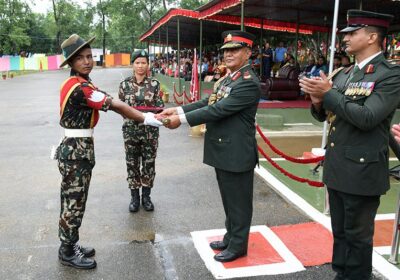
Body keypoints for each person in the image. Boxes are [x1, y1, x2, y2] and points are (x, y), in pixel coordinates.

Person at [299, 10, 400, 280]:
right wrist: (317, 100)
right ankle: (341, 274)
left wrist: (328, 94)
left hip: (362, 170)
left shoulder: (390, 74)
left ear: (372, 37)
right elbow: (326, 116)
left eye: (352, 33)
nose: (345, 38)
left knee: (358, 237)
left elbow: (367, 118)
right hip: (339, 165)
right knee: (341, 232)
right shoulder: (343, 73)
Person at [56, 34, 162, 269]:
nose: (87, 61)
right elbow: (116, 105)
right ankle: (67, 250)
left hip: (78, 149)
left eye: (89, 56)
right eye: (80, 58)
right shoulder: (80, 88)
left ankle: (71, 243)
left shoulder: (80, 83)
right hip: (76, 152)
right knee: (74, 201)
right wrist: (148, 118)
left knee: (75, 199)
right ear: (71, 63)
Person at [158, 30, 261, 263]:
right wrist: (179, 109)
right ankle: (231, 236)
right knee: (228, 199)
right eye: (226, 51)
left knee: (239, 202)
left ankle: (238, 245)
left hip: (237, 152)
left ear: (248, 53)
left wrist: (180, 121)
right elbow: (209, 101)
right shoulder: (228, 78)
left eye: (235, 50)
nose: (228, 54)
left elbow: (218, 110)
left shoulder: (248, 83)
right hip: (224, 149)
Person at [118, 50, 164, 213]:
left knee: (149, 164)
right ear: (132, 64)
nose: (140, 66)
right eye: (137, 62)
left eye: (143, 62)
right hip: (131, 132)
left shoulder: (155, 84)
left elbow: (159, 107)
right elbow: (121, 108)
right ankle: (134, 198)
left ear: (148, 64)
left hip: (150, 133)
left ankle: (146, 197)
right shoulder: (124, 85)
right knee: (132, 164)